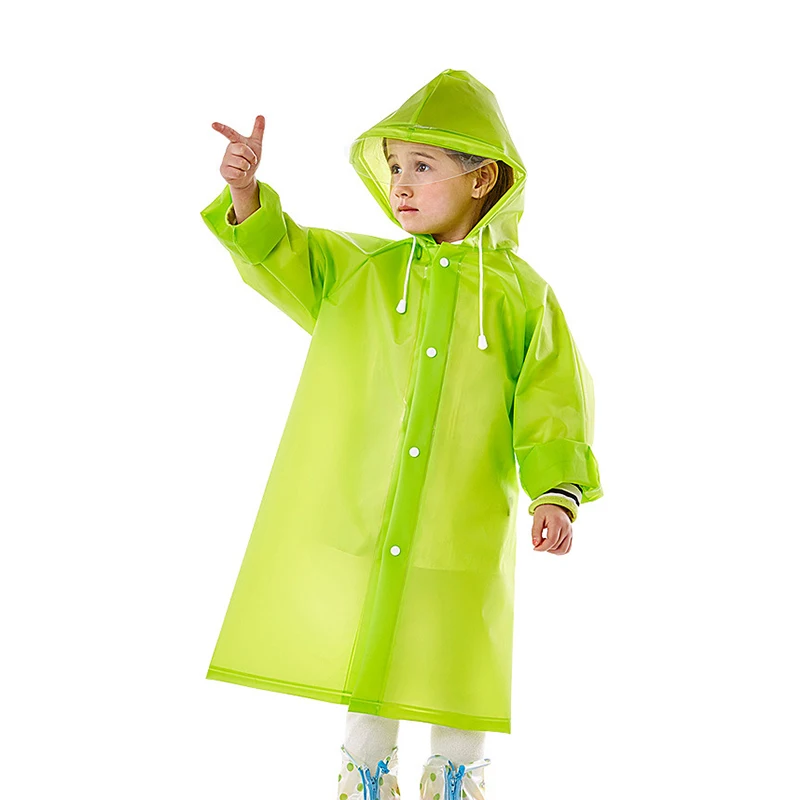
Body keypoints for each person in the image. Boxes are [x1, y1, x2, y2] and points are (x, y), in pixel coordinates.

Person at [199, 68, 603, 800]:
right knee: (374, 643)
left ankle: (456, 779)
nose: (400, 185)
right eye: (393, 167)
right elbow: (284, 253)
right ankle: (364, 776)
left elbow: (552, 398)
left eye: (421, 166)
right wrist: (246, 194)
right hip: (373, 511)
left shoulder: (522, 296)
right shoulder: (366, 272)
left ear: (482, 179)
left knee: (458, 650)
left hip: (462, 523)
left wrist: (557, 491)